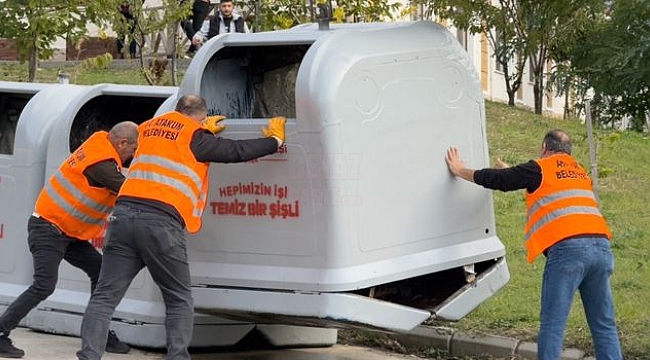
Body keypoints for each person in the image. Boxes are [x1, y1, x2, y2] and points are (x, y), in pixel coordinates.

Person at [76, 95, 286, 360]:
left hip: (123, 216)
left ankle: (88, 356)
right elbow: (236, 151)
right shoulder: (194, 135)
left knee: (105, 296)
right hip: (160, 223)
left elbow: (170, 146)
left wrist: (204, 132)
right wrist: (274, 141)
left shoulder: (148, 128)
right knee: (178, 298)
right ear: (199, 117)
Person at [444, 129, 622, 360]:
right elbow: (544, 188)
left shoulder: (538, 167)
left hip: (569, 251)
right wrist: (512, 172)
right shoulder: (579, 172)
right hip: (601, 249)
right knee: (603, 324)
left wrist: (459, 170)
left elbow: (499, 181)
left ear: (545, 147)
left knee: (553, 324)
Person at [0, 122, 139, 358]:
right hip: (48, 229)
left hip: (68, 233)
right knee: (44, 285)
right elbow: (131, 191)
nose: (133, 156)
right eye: (133, 150)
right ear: (122, 143)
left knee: (100, 271)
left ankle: (98, 334)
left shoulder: (101, 146)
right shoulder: (101, 163)